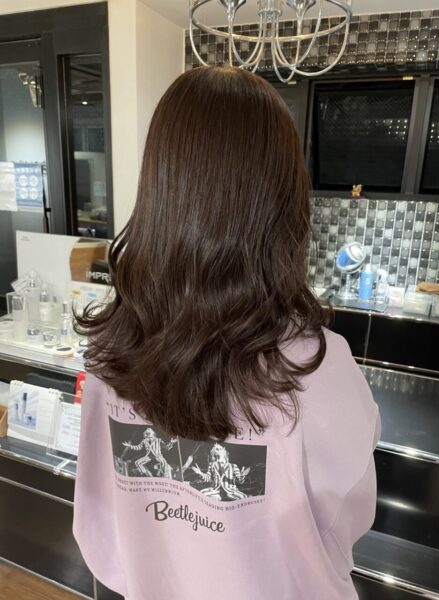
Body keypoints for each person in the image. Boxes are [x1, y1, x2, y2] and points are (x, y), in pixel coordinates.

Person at [73, 66, 380, 600]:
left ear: (160, 187)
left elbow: (98, 522)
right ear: (283, 202)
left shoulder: (113, 352)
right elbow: (346, 520)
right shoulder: (316, 366)